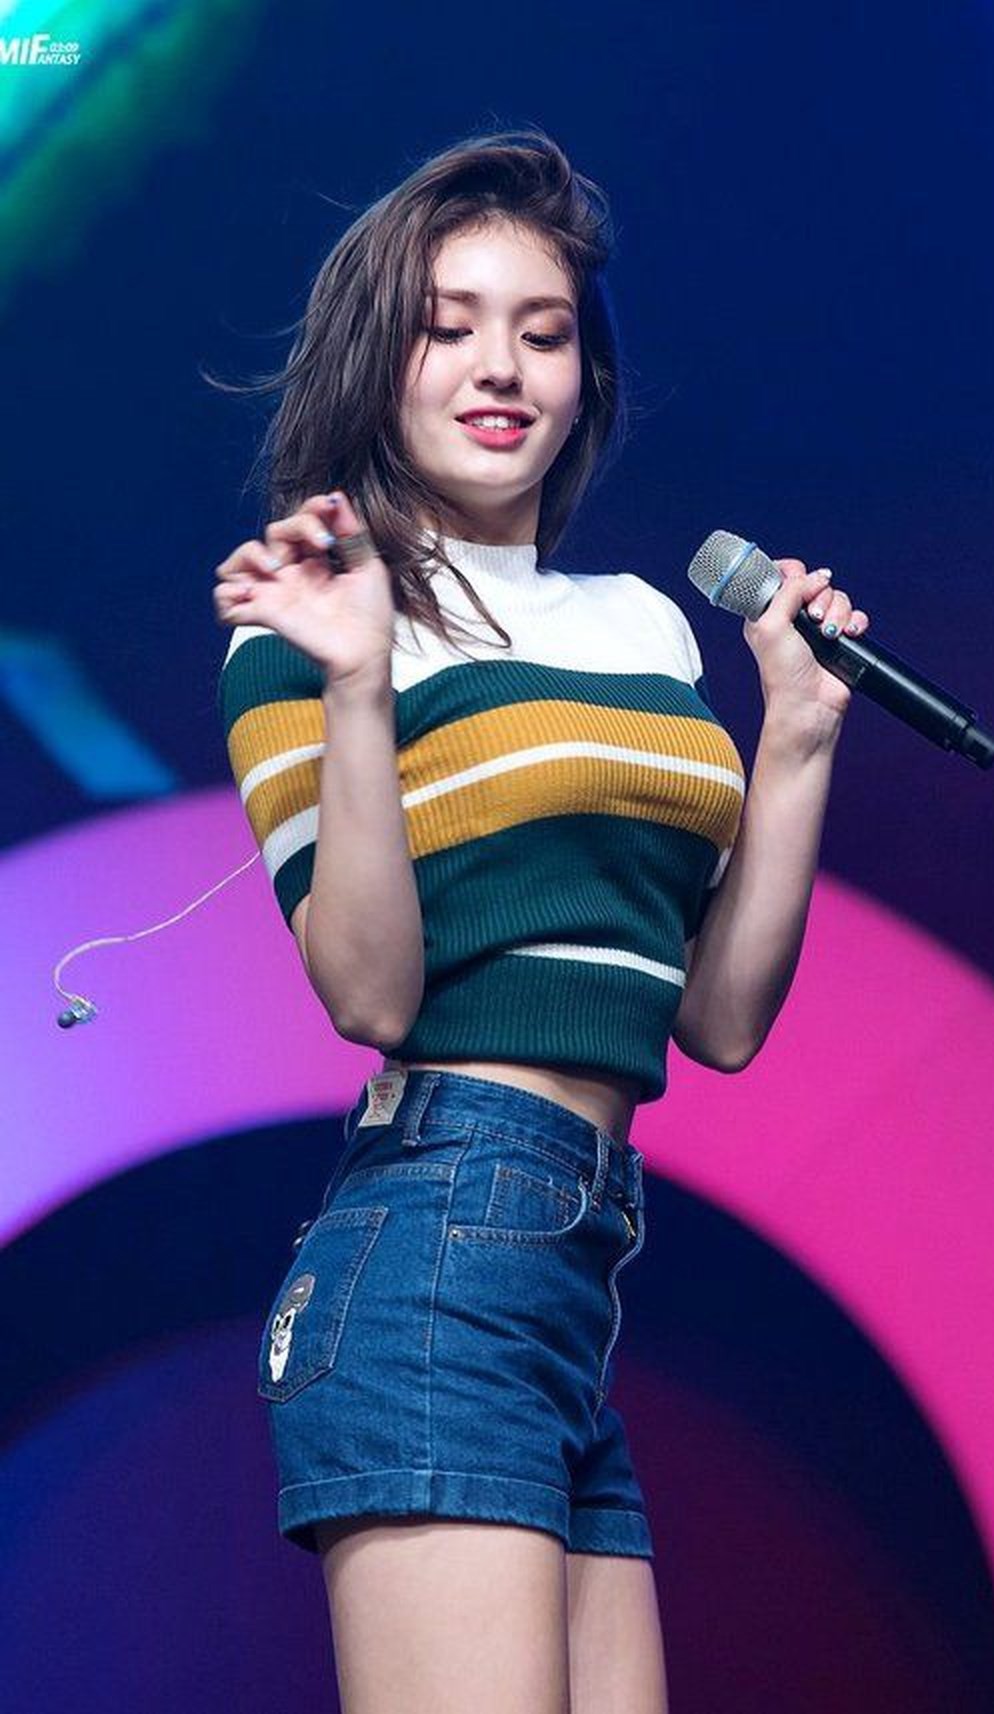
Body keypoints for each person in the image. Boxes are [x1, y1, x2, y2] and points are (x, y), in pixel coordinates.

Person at [212, 127, 868, 1714]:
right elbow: (369, 993)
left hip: (576, 1267)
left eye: (545, 330)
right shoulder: (310, 625)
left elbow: (716, 1020)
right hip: (437, 1236)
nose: (501, 366)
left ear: (586, 374)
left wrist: (795, 735)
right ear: (381, 360)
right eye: (448, 326)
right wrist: (357, 678)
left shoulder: (643, 625)